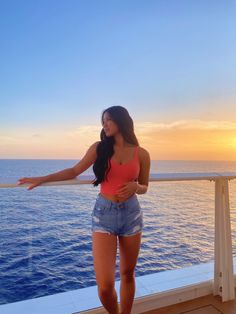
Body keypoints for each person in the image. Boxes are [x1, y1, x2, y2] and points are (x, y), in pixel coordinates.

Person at [17, 105, 151, 314]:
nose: (104, 124)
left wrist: (136, 187)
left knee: (127, 274)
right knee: (105, 286)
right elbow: (74, 170)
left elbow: (144, 186)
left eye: (109, 120)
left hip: (131, 214)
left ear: (122, 121)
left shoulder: (141, 154)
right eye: (103, 121)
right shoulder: (99, 148)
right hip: (104, 214)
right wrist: (43, 178)